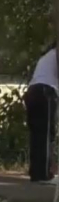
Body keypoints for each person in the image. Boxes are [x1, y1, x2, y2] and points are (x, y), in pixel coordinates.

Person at [25, 43, 59, 184]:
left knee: (38, 135)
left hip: (33, 92)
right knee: (45, 134)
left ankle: (37, 173)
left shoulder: (48, 55)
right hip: (44, 92)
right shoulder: (55, 53)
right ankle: (43, 174)